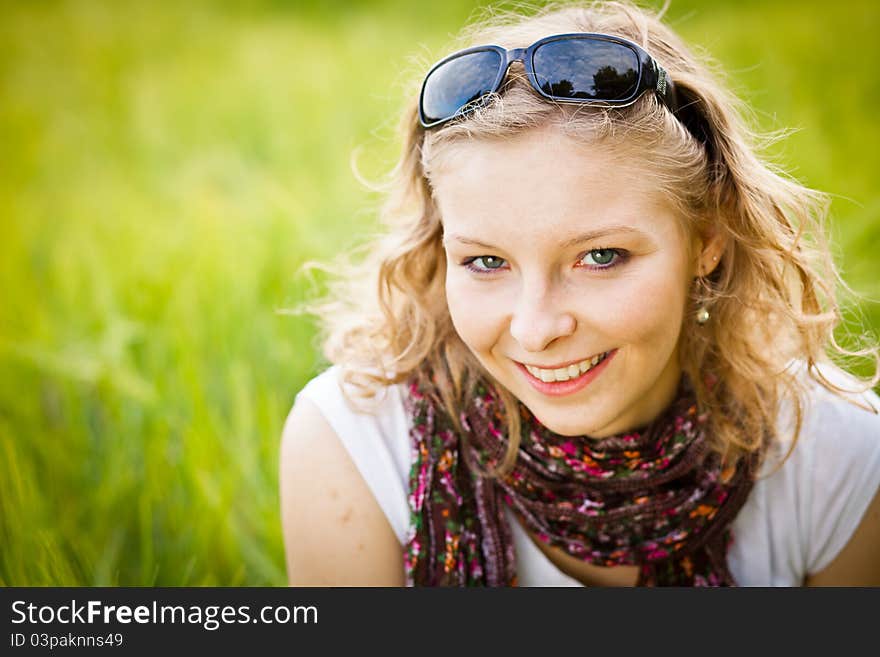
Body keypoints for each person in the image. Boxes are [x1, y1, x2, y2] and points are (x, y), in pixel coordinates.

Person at [280, 1, 880, 586]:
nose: (535, 329)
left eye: (599, 257)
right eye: (486, 261)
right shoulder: (357, 442)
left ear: (707, 241)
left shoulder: (836, 457)